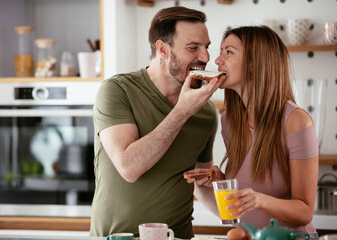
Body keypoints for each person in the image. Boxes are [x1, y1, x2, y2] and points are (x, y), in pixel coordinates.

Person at [89, 6, 226, 238]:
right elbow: (129, 167)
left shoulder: (205, 112)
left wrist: (240, 207)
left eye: (206, 47)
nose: (205, 57)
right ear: (163, 49)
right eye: (193, 47)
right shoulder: (118, 90)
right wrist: (182, 111)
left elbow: (200, 185)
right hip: (117, 237)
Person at [184, 26, 319, 239]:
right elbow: (234, 209)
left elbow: (304, 211)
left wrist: (260, 200)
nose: (217, 60)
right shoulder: (230, 121)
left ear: (254, 65)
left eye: (228, 52)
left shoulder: (296, 121)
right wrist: (219, 184)